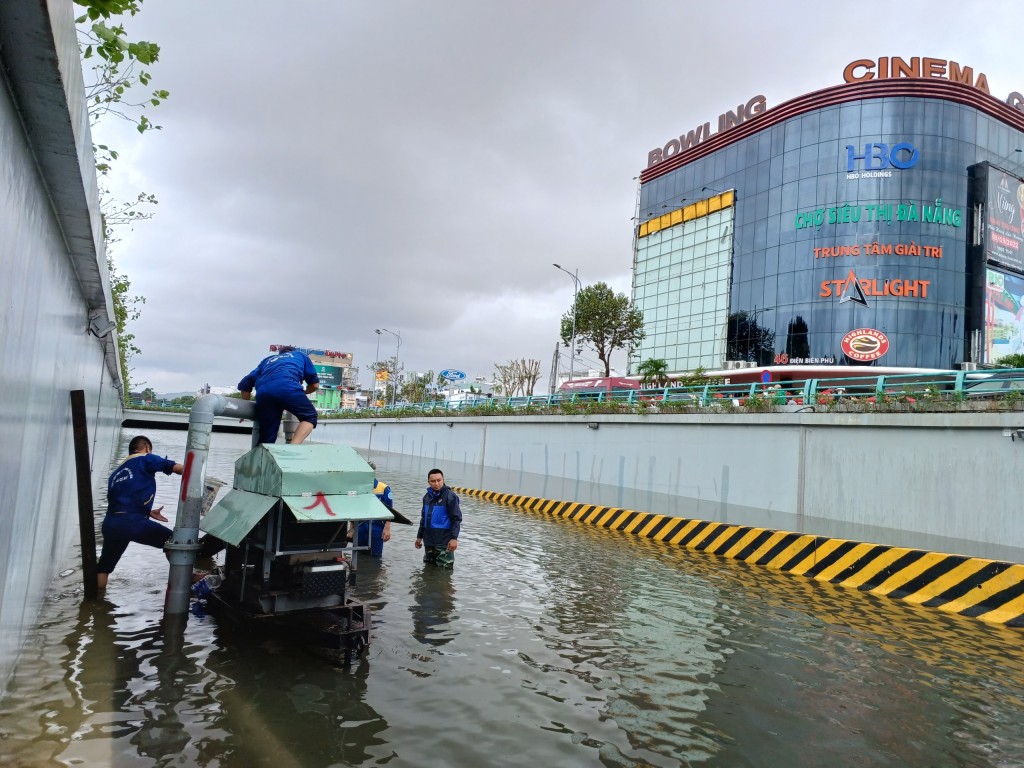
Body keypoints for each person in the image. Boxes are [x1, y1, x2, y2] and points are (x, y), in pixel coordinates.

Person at [97, 435, 183, 591]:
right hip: (132, 522)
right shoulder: (145, 458)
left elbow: (121, 501)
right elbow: (177, 468)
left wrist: (148, 512)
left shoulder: (115, 474)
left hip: (111, 524)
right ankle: (184, 584)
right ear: (147, 448)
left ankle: (95, 604)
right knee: (175, 542)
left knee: (104, 568)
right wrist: (198, 473)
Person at [238, 345, 320, 444]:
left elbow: (245, 384)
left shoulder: (268, 360)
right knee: (310, 416)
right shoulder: (300, 355)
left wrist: (244, 409)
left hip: (263, 392)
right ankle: (291, 448)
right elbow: (315, 385)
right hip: (287, 386)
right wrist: (300, 393)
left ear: (280, 354)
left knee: (267, 438)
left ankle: (262, 457)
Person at [415, 468, 461, 568]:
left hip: (444, 544)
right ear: (428, 482)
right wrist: (419, 537)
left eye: (439, 480)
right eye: (433, 481)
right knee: (428, 572)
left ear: (443, 480)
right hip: (429, 542)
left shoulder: (450, 496)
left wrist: (454, 538)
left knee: (443, 576)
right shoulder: (427, 497)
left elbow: (456, 519)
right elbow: (424, 519)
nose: (436, 483)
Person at [351, 461, 392, 557]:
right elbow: (353, 508)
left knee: (376, 557)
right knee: (357, 555)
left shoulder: (383, 488)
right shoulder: (357, 488)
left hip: (376, 527)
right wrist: (351, 528)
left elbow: (389, 510)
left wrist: (387, 528)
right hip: (360, 526)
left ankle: (374, 571)